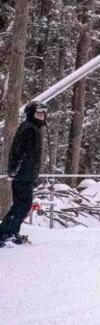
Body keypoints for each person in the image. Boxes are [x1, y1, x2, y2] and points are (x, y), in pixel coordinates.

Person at [0, 100, 47, 247]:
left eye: (44, 114)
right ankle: (7, 234)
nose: (42, 116)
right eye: (39, 113)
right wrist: (16, 170)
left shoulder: (33, 128)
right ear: (31, 114)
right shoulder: (28, 129)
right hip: (23, 175)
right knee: (22, 206)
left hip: (26, 175)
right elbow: (18, 152)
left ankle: (8, 233)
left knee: (21, 205)